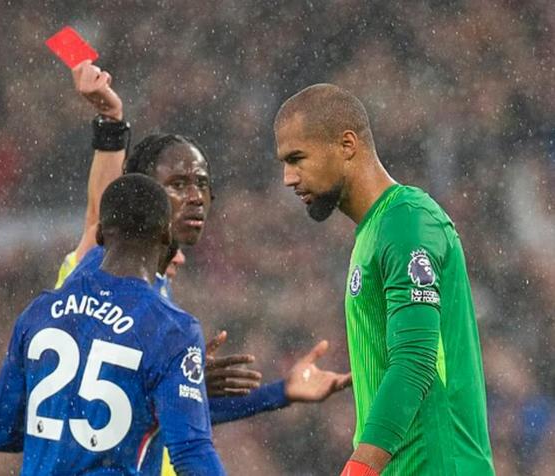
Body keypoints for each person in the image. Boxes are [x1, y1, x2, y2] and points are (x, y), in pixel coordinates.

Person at [61, 62, 352, 475]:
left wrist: (278, 392)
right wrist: (111, 122)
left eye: (201, 184)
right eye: (179, 185)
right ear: (141, 195)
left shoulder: (158, 297)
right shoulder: (98, 269)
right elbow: (100, 214)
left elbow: (170, 416)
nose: (196, 197)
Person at [273, 84, 496, 475]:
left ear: (347, 145)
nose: (288, 178)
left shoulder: (408, 221)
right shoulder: (373, 232)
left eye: (297, 158)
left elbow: (414, 360)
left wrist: (360, 468)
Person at [0, 174, 226, 475]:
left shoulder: (39, 311)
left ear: (99, 235)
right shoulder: (173, 330)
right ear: (166, 235)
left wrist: (64, 429)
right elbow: (191, 452)